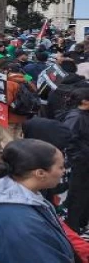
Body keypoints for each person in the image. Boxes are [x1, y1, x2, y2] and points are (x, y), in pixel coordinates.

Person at [0, 139, 73, 262]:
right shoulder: (23, 223)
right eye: (60, 167)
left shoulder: (0, 194)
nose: (63, 171)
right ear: (40, 173)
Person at [63, 87, 89, 233]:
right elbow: (69, 139)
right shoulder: (76, 117)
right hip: (81, 163)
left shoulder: (83, 115)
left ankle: (82, 222)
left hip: (84, 161)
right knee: (78, 195)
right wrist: (80, 156)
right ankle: (74, 226)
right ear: (84, 102)